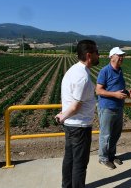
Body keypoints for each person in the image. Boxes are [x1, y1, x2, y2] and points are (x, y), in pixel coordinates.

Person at [55, 39, 99, 188]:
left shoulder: (74, 70)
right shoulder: (83, 77)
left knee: (70, 160)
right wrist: (63, 116)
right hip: (79, 127)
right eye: (96, 53)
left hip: (71, 125)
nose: (99, 55)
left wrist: (64, 116)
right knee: (80, 164)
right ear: (88, 55)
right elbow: (75, 106)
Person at [96, 47, 131, 169]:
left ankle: (111, 156)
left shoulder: (120, 71)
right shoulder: (105, 71)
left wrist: (129, 94)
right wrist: (115, 95)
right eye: (119, 55)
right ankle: (103, 158)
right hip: (107, 108)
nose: (121, 58)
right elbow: (98, 90)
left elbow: (120, 88)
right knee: (106, 135)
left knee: (115, 134)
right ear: (111, 57)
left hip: (119, 107)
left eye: (122, 56)